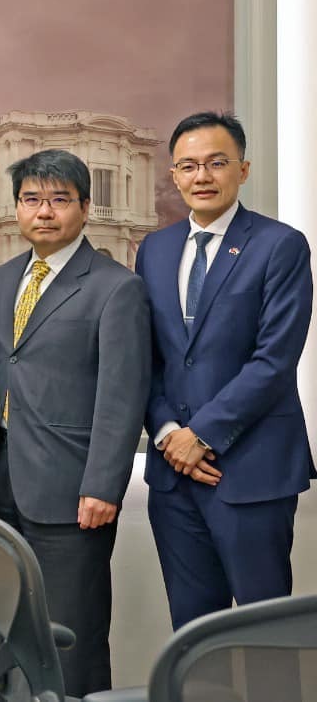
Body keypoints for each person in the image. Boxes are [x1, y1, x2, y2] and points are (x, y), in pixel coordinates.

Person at [0, 149, 149, 698]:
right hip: (1, 480)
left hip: (71, 487)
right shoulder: (6, 278)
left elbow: (121, 397)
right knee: (3, 625)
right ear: (17, 209)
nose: (44, 212)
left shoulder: (113, 286)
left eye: (59, 200)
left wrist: (103, 485)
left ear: (85, 207)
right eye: (32, 200)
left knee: (70, 632)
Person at [137, 112, 314, 629]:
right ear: (174, 174)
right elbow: (146, 358)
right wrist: (170, 434)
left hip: (251, 471)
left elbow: (274, 360)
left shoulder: (279, 245)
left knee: (263, 633)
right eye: (189, 166)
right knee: (193, 634)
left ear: (244, 169)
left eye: (217, 163)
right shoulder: (155, 249)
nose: (202, 176)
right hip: (174, 477)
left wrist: (204, 435)